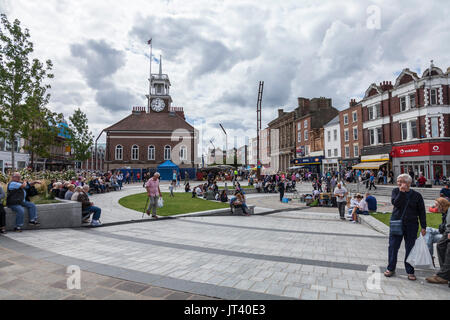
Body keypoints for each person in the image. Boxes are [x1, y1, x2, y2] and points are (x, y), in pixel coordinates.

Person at [384, 174, 427, 281]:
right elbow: (396, 203)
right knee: (393, 246)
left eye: (401, 181)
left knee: (410, 248)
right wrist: (402, 192)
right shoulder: (395, 191)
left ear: (408, 183)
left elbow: (422, 211)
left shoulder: (417, 195)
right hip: (397, 223)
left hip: (412, 225)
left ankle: (410, 271)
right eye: (398, 181)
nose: (398, 183)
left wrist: (423, 226)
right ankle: (391, 268)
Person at [426, 197, 450, 285]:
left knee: (443, 246)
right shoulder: (445, 213)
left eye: (436, 205)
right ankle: (443, 272)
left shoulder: (448, 211)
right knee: (439, 244)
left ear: (441, 205)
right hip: (446, 232)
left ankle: (443, 274)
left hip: (447, 232)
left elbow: (446, 227)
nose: (435, 207)